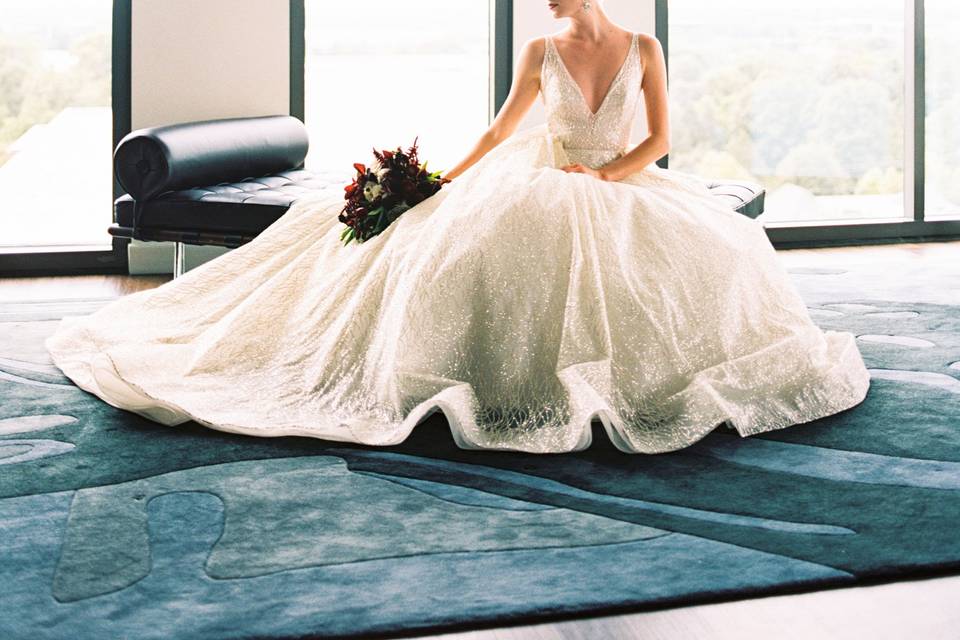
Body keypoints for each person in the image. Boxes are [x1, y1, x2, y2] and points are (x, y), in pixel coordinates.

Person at [45, 0, 870, 454]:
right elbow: (500, 130)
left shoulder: (644, 44)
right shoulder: (542, 51)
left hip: (617, 181)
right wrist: (436, 182)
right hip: (540, 177)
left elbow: (659, 138)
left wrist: (609, 177)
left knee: (693, 264)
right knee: (474, 252)